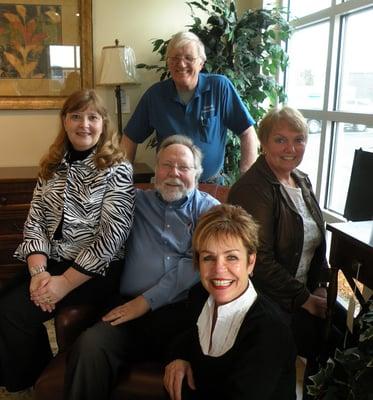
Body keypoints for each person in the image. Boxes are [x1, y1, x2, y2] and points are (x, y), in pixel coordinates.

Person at [64, 134, 219, 400]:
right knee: (90, 346)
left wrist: (146, 301)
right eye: (167, 165)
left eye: (183, 167)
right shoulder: (132, 202)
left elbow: (198, 263)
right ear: (155, 169)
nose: (174, 173)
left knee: (193, 372)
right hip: (126, 311)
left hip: (182, 317)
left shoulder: (210, 211)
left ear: (197, 173)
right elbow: (87, 202)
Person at [0, 89, 135, 393]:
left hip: (96, 271)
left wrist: (62, 285)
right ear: (64, 121)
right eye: (76, 116)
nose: (83, 124)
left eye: (92, 117)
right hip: (53, 262)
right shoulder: (51, 166)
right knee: (6, 308)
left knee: (13, 313)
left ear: (103, 123)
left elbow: (109, 241)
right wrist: (39, 273)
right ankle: (36, 377)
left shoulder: (117, 170)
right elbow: (34, 223)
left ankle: (28, 380)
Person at [228, 106, 329, 394]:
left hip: (301, 291)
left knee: (346, 332)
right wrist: (304, 299)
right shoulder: (253, 188)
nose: (291, 148)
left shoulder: (302, 180)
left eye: (299, 139)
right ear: (263, 142)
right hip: (264, 296)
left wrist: (320, 287)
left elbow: (317, 242)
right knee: (323, 341)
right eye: (280, 139)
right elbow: (258, 261)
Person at [164, 204, 296, 400]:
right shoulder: (199, 296)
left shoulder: (270, 329)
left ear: (250, 262)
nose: (219, 269)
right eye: (209, 258)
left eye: (231, 257)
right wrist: (178, 357)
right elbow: (185, 336)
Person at [122, 31, 258, 182]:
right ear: (168, 62)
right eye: (175, 58)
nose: (181, 64)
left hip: (211, 186)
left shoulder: (220, 87)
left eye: (188, 58)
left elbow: (247, 133)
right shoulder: (155, 95)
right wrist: (122, 181)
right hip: (170, 186)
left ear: (201, 63)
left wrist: (247, 177)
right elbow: (130, 138)